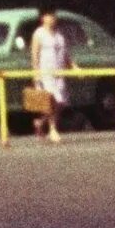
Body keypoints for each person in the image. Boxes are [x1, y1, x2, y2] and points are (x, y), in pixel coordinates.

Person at [28, 7, 75, 145]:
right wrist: (36, 74)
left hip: (59, 74)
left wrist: (74, 66)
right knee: (51, 102)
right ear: (43, 18)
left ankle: (40, 122)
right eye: (49, 15)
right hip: (45, 74)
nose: (53, 18)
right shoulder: (39, 34)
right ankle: (53, 130)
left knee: (61, 103)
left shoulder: (60, 35)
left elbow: (66, 55)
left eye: (54, 15)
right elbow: (35, 55)